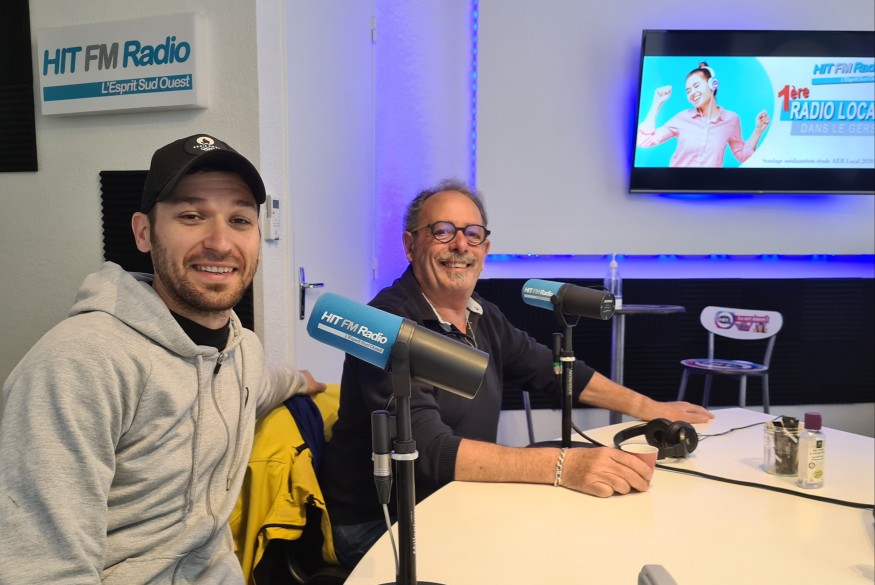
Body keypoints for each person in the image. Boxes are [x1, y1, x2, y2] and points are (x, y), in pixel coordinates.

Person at [320, 178, 714, 568]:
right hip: (381, 523)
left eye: (473, 234)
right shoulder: (384, 325)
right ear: (410, 245)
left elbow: (554, 371)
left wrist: (650, 408)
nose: (460, 245)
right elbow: (430, 452)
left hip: (454, 499)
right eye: (442, 231)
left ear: (485, 248)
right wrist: (564, 466)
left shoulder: (482, 314)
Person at [0, 134, 325, 584]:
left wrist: (303, 381)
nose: (220, 242)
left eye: (239, 220)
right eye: (191, 216)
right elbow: (43, 568)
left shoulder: (241, 349)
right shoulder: (79, 363)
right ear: (143, 233)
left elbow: (263, 384)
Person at [636, 61, 771, 167]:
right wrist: (657, 103)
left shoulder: (731, 119)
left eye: (696, 86)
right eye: (688, 90)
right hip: (676, 185)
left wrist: (758, 130)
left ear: (713, 84)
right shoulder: (682, 118)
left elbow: (742, 155)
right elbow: (643, 141)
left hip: (710, 187)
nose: (692, 93)